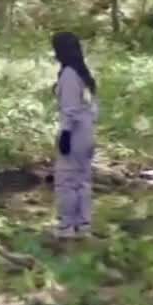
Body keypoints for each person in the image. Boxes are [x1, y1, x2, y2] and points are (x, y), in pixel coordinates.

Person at [51, 31, 98, 239]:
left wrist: (66, 133)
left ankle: (67, 227)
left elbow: (69, 108)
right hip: (88, 131)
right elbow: (93, 107)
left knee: (66, 181)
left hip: (75, 132)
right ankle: (83, 225)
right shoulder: (84, 74)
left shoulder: (69, 74)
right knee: (83, 180)